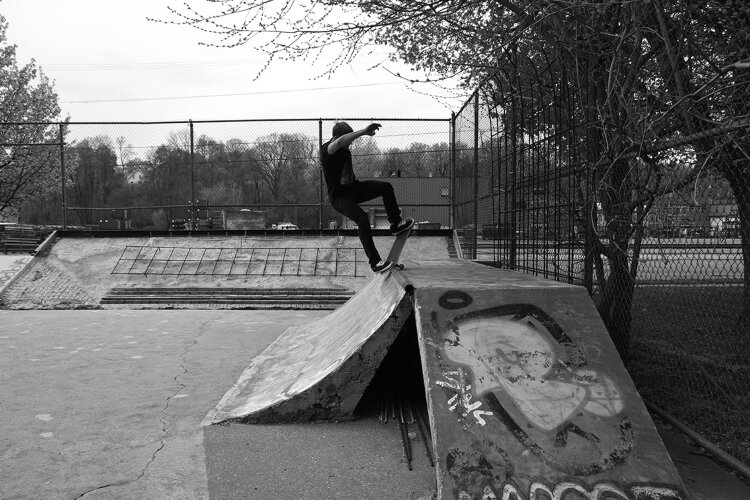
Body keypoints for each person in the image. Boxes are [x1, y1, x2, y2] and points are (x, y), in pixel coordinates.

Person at [320, 121, 414, 273]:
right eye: (348, 141)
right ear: (337, 137)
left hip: (353, 189)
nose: (349, 144)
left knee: (386, 187)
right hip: (339, 197)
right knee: (362, 219)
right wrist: (363, 131)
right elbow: (339, 142)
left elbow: (344, 141)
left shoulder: (343, 148)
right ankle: (375, 262)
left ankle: (395, 224)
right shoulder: (328, 149)